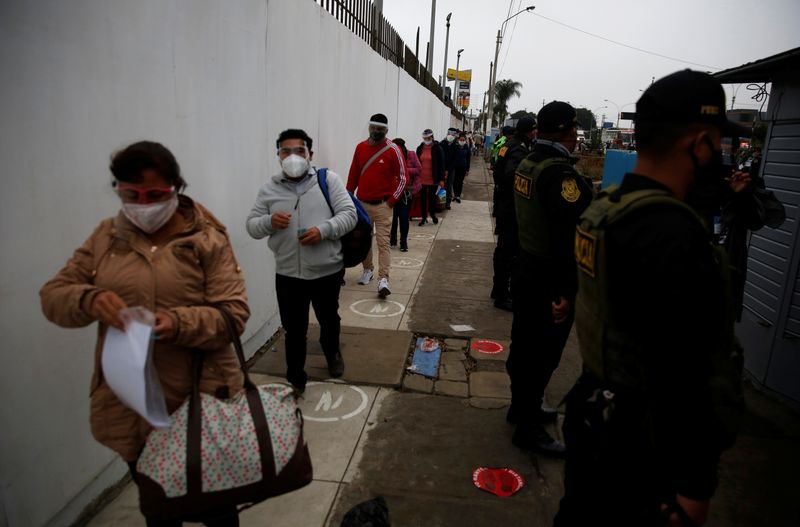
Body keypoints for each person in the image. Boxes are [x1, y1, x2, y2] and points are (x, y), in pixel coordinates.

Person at [554, 70, 747, 526]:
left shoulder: (608, 206)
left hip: (594, 416)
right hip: (642, 445)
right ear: (698, 142)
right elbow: (688, 369)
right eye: (718, 143)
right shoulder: (672, 232)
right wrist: (695, 489)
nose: (719, 155)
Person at [40, 141, 248, 527]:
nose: (143, 204)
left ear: (176, 189)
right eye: (130, 194)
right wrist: (89, 297)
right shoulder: (105, 237)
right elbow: (53, 295)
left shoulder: (207, 238)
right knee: (158, 508)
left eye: (155, 195)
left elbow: (233, 315)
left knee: (217, 508)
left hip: (202, 404)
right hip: (134, 410)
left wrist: (176, 323)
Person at [505, 102, 593, 456]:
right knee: (542, 354)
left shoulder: (528, 162)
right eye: (574, 130)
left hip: (527, 267)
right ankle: (527, 429)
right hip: (549, 279)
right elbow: (567, 238)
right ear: (568, 131)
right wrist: (565, 292)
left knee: (523, 346)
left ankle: (519, 408)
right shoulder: (560, 175)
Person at [246, 129, 356, 393]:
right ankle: (295, 375)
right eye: (286, 151)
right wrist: (268, 222)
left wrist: (323, 231)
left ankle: (333, 354)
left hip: (326, 271)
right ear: (278, 156)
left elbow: (349, 214)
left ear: (310, 154)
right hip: (288, 274)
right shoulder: (269, 189)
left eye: (299, 151)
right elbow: (252, 226)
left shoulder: (327, 181)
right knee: (294, 330)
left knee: (329, 319)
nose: (292, 156)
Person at [347, 113, 408, 298]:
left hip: (383, 206)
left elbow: (404, 178)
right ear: (369, 128)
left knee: (383, 243)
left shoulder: (393, 149)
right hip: (362, 204)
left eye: (380, 129)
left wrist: (391, 201)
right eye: (373, 127)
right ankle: (368, 270)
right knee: (363, 241)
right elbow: (353, 174)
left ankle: (383, 279)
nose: (376, 131)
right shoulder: (360, 148)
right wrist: (348, 197)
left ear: (386, 130)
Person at [491, 117, 536, 311]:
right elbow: (511, 175)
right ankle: (502, 295)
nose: (536, 133)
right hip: (511, 208)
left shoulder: (507, 146)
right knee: (509, 254)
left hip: (503, 204)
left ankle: (497, 289)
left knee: (502, 251)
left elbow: (497, 171)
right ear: (529, 131)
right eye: (534, 129)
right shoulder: (519, 149)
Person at [390, 138, 421, 252]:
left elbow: (418, 169)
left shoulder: (411, 155)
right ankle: (392, 240)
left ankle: (403, 242)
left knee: (403, 218)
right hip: (393, 193)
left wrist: (404, 170)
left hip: (407, 193)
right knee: (393, 218)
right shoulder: (391, 156)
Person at [416, 128, 446, 226]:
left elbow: (442, 164)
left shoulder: (438, 148)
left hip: (433, 178)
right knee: (423, 199)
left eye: (428, 138)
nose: (426, 139)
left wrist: (442, 179)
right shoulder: (420, 148)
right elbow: (417, 162)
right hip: (421, 178)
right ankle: (424, 217)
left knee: (432, 199)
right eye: (424, 138)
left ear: (432, 137)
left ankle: (432, 215)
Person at [441, 127, 459, 209]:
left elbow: (455, 159)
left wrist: (448, 170)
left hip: (451, 170)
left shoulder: (456, 145)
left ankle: (447, 202)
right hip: (441, 168)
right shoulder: (442, 143)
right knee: (440, 185)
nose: (451, 135)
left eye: (453, 134)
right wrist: (443, 168)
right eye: (450, 134)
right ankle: (439, 202)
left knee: (449, 186)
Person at [452, 132, 472, 203]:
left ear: (465, 140)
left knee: (460, 182)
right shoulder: (455, 146)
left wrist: (467, 169)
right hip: (455, 167)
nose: (462, 141)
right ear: (458, 139)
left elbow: (468, 159)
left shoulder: (467, 148)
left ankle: (458, 196)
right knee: (454, 181)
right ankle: (455, 195)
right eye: (461, 140)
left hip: (463, 168)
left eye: (463, 140)